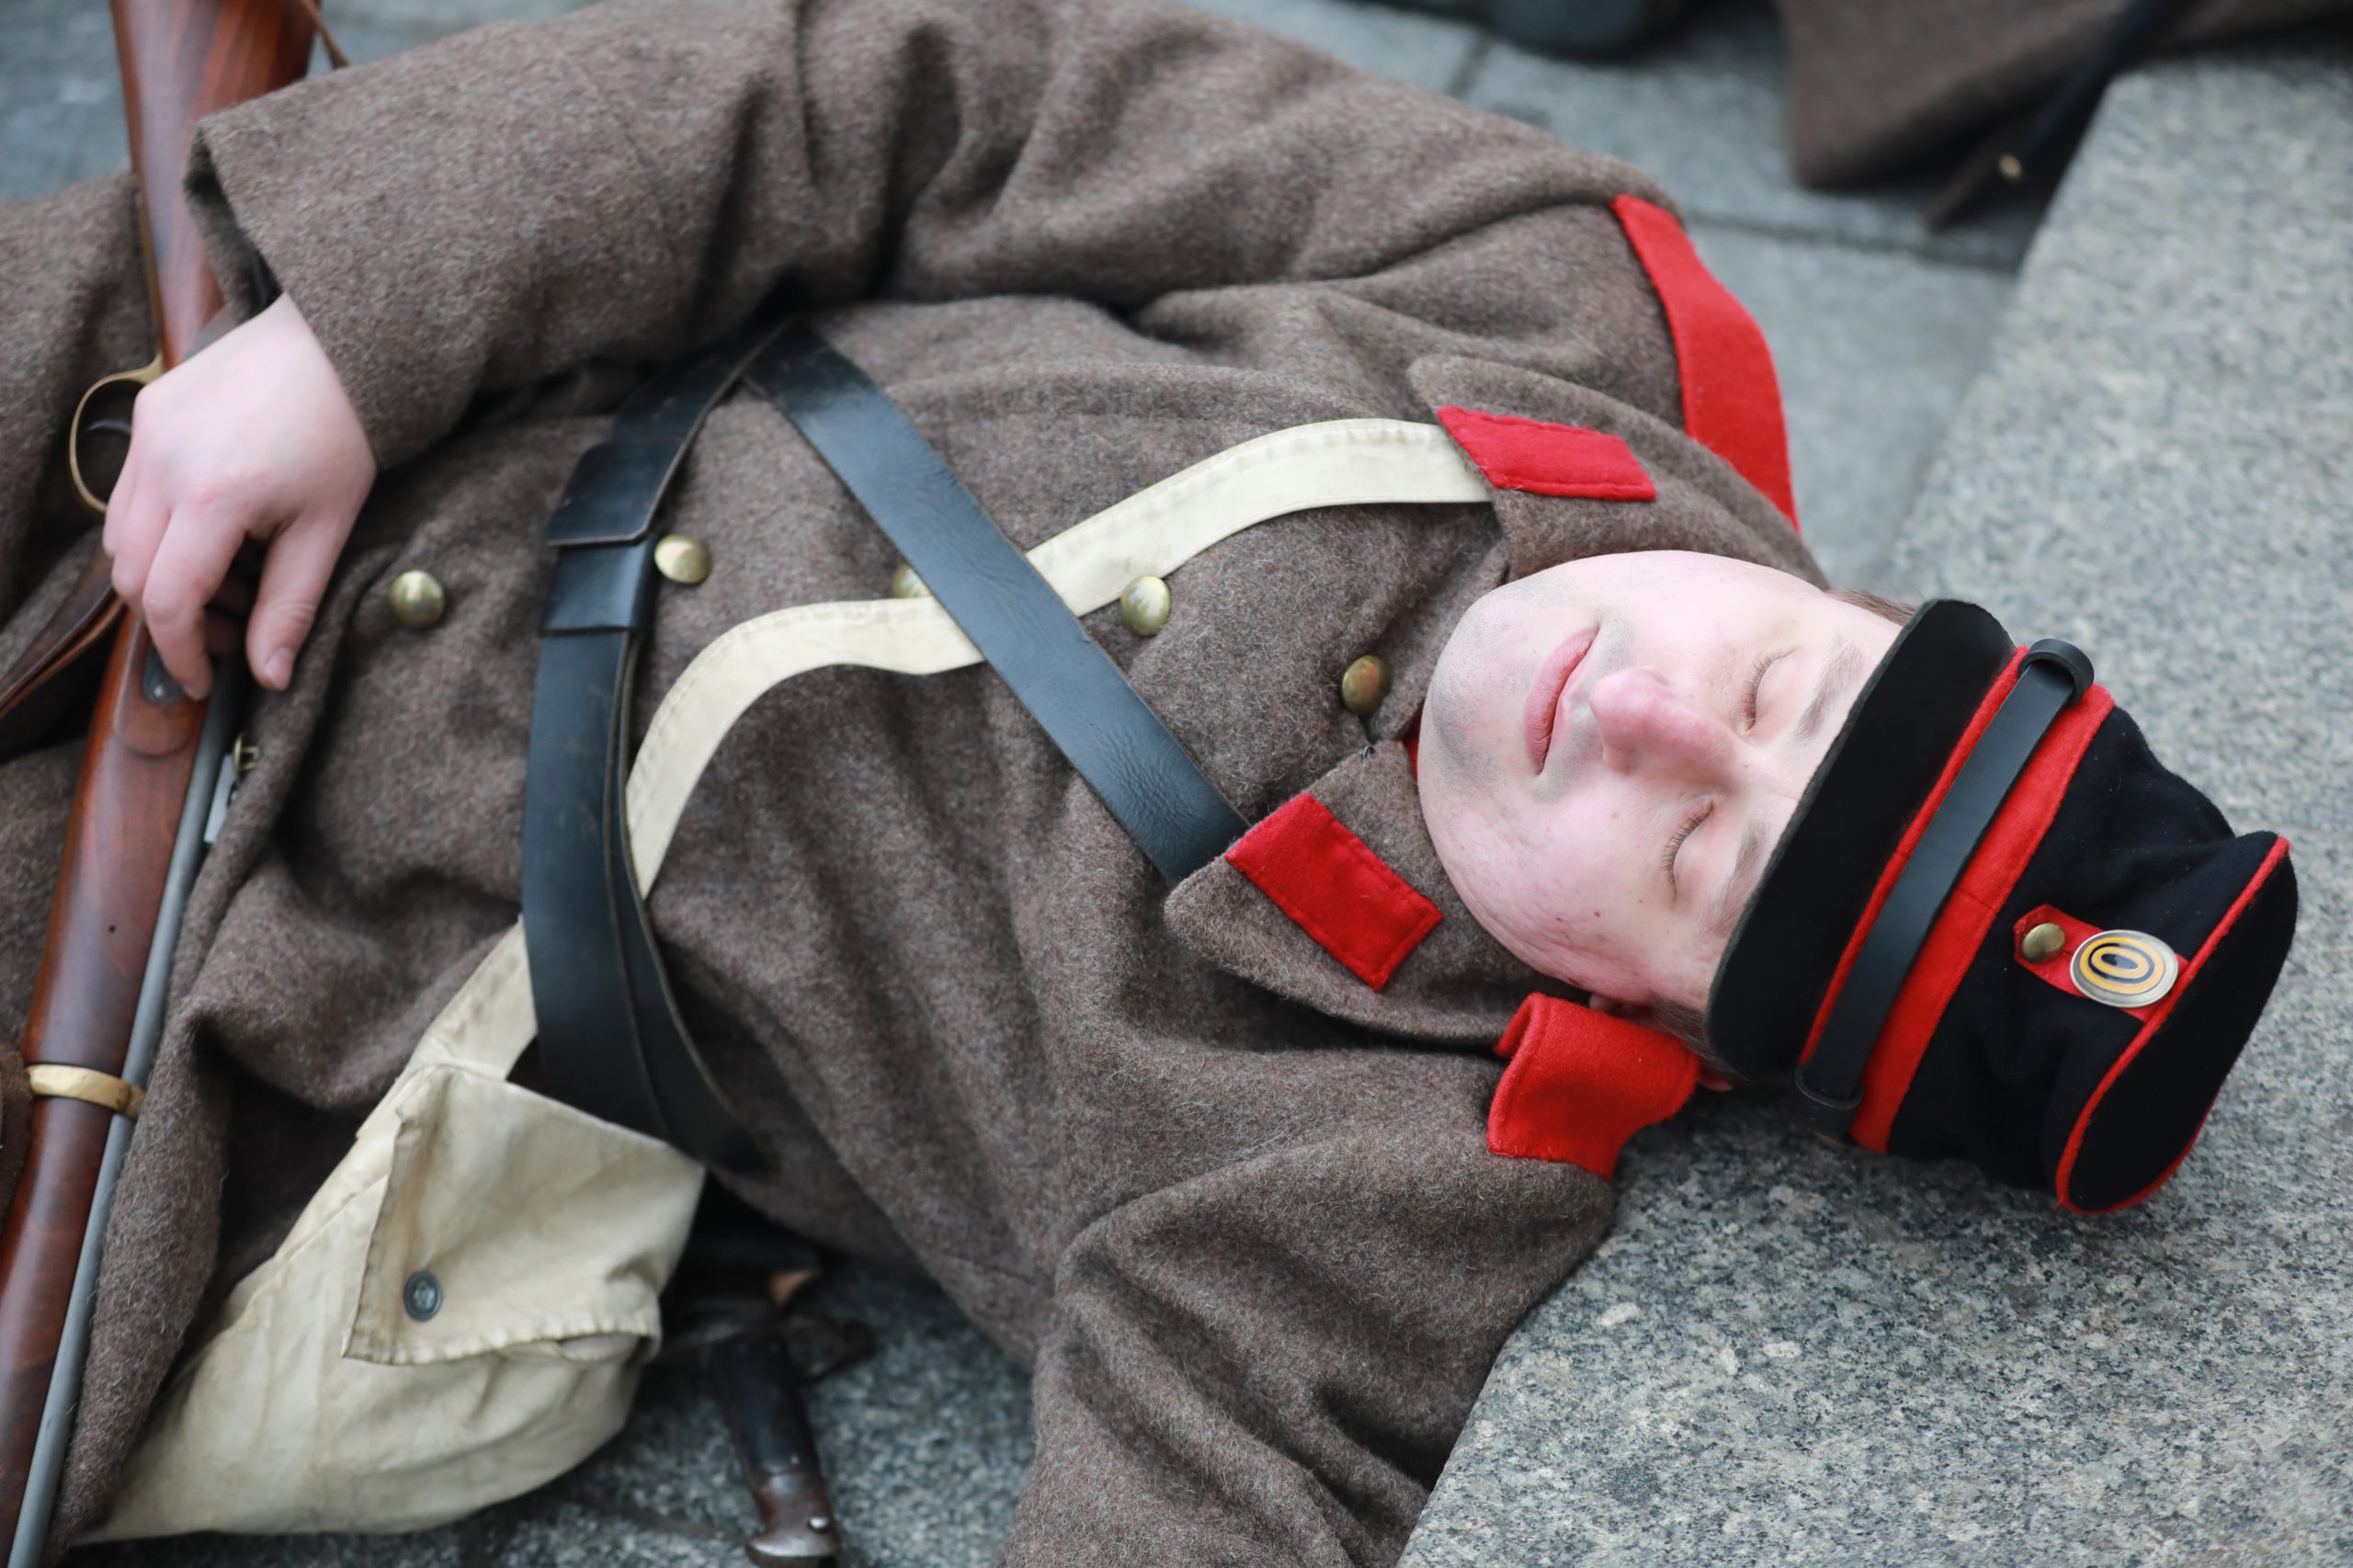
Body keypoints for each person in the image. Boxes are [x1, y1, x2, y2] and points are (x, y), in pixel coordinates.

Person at [0, 0, 2291, 1557]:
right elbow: (932, 90)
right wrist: (366, 319)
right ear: (1855, 596)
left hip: (256, 982)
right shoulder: (1566, 301)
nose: (1649, 719)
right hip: (358, 387)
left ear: (1669, 1026)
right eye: (1782, 688)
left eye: (1698, 855)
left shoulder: (1373, 1199)